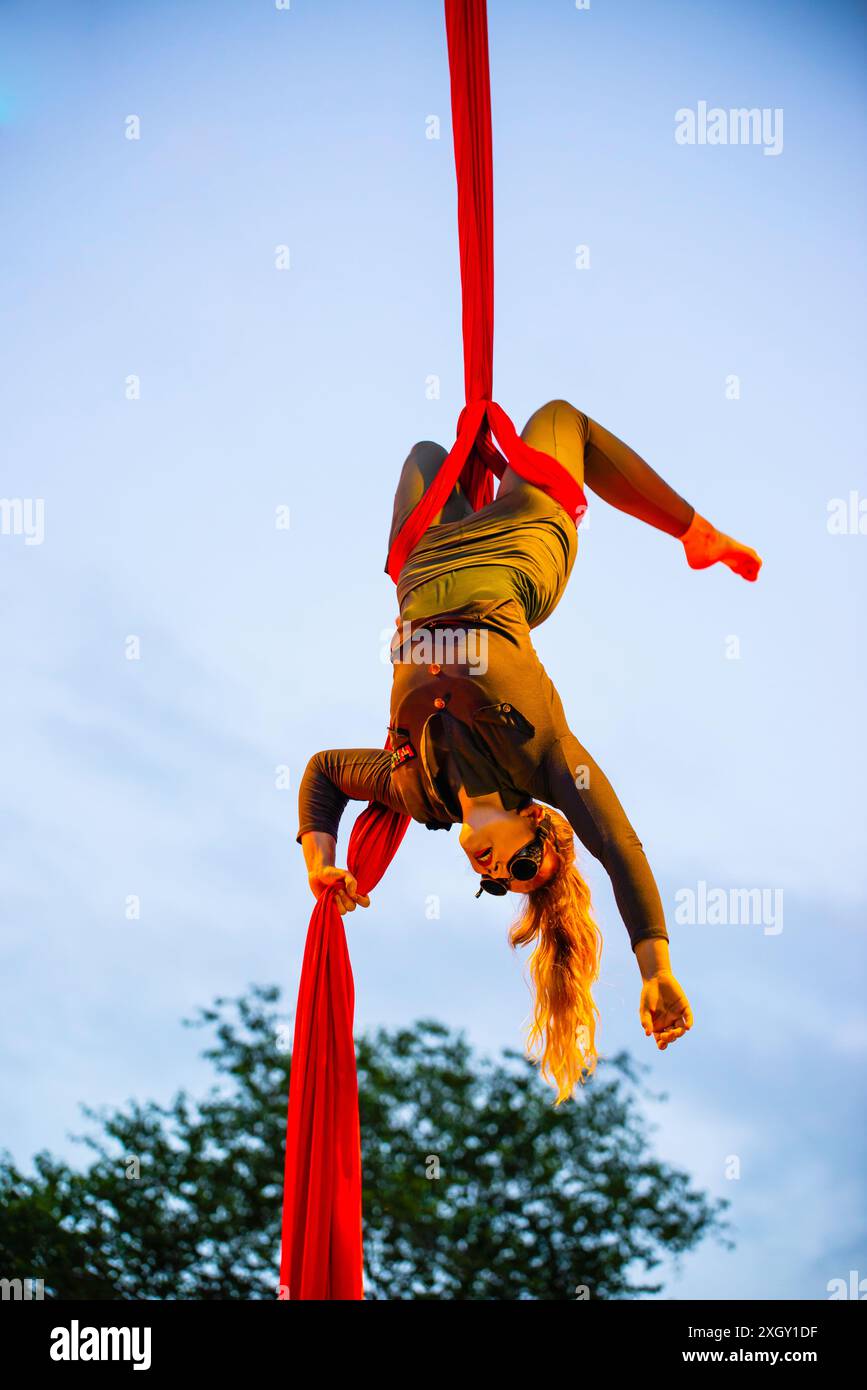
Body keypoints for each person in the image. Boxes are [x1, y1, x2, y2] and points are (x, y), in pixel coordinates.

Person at [296, 399, 762, 1102]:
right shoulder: (545, 757)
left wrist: (321, 865)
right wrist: (655, 968)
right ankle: (696, 533)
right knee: (559, 417)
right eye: (523, 866)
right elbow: (620, 846)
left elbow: (324, 774)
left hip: (426, 557)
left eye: (496, 883)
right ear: (541, 824)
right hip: (519, 548)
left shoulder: (417, 791)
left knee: (425, 452)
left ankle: (467, 460)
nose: (498, 870)